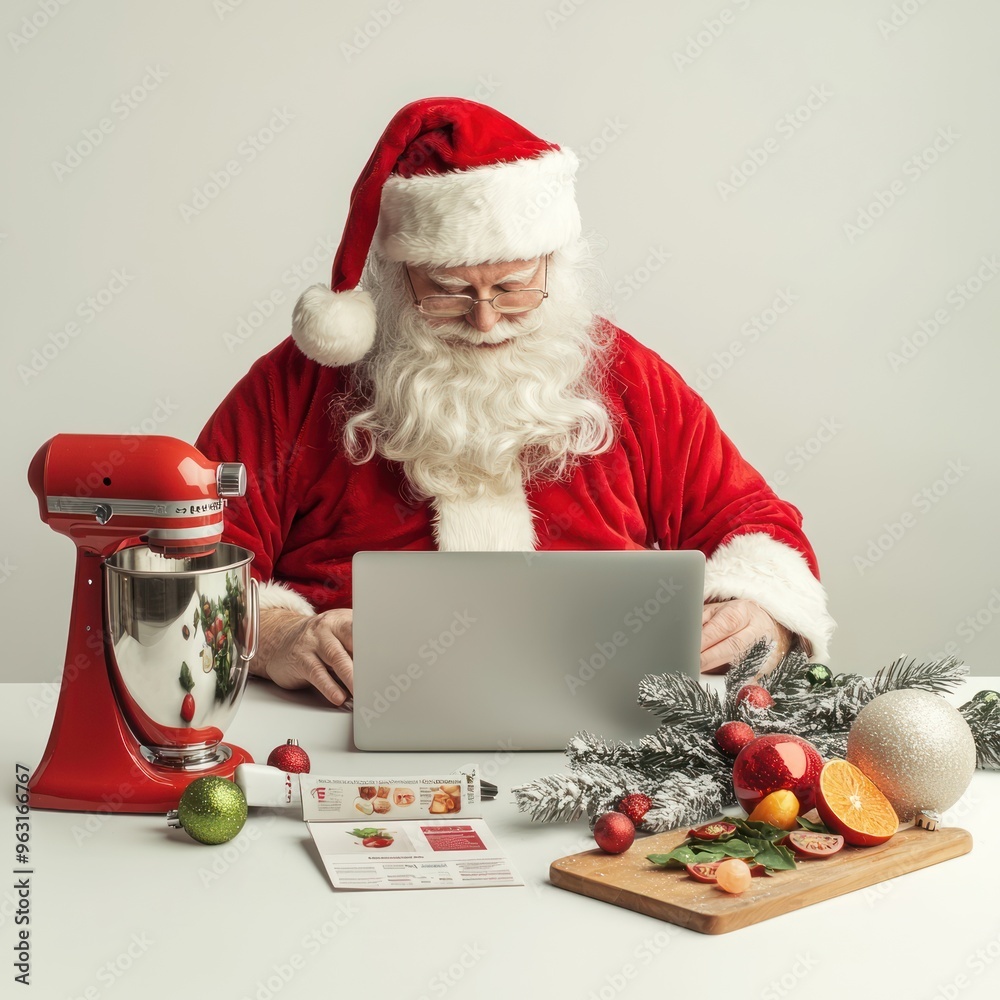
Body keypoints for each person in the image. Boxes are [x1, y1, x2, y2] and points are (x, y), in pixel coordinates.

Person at [196, 97, 835, 707]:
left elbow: (754, 525)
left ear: (554, 267)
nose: (485, 321)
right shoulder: (301, 384)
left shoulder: (627, 376)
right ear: (396, 279)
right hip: (337, 728)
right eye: (447, 291)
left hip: (613, 740)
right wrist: (278, 634)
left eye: (513, 287)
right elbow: (185, 547)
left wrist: (759, 617)